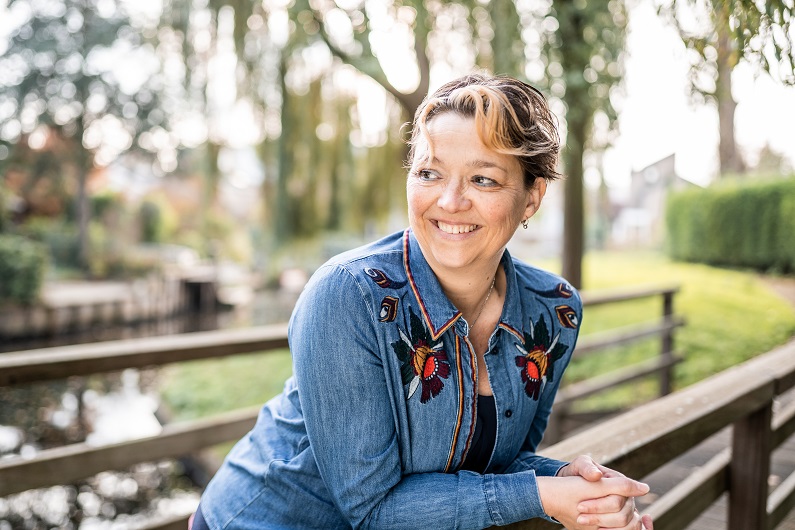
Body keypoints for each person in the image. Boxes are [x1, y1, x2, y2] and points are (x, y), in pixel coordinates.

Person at [191, 73, 654, 530]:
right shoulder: (349, 295)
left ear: (532, 197)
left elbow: (497, 468)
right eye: (429, 173)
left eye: (483, 179)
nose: (450, 201)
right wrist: (542, 492)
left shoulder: (553, 311)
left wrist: (574, 486)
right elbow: (372, 510)